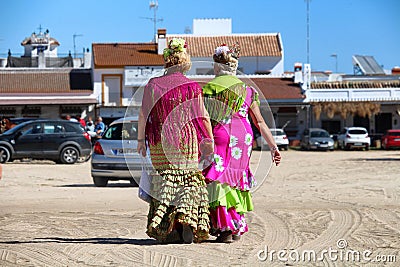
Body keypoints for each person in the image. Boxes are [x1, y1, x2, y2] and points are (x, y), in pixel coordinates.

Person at [137, 38, 214, 244]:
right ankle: (186, 220)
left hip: (159, 140)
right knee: (187, 179)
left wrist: (139, 141)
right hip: (186, 140)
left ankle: (168, 227)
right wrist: (209, 139)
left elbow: (144, 114)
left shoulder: (153, 85)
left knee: (165, 180)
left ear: (167, 61)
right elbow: (203, 116)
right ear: (184, 61)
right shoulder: (192, 86)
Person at [202, 43, 281, 243]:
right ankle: (237, 226)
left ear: (216, 66)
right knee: (236, 179)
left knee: (220, 179)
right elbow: (259, 121)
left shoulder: (210, 88)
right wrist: (273, 147)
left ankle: (226, 228)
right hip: (244, 140)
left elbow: (207, 119)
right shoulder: (247, 90)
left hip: (221, 135)